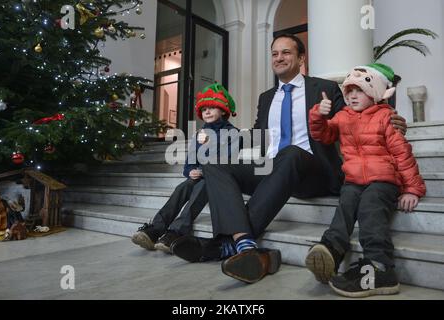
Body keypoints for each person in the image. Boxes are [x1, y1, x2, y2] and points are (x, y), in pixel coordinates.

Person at [171, 34, 407, 284]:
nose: (279, 58)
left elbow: (356, 116)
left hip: (313, 170)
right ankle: (242, 241)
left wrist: (390, 116)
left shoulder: (323, 88)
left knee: (291, 152)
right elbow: (258, 137)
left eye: (286, 53)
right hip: (273, 168)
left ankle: (224, 244)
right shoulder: (266, 97)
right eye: (274, 54)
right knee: (215, 163)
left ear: (301, 58)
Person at [305, 63, 426, 298]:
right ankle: (331, 249)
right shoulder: (342, 117)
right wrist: (318, 115)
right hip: (354, 180)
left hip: (383, 180)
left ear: (375, 93)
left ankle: (380, 268)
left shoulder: (385, 117)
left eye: (358, 90)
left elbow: (402, 154)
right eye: (348, 91)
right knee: (347, 202)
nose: (352, 96)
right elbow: (323, 134)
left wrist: (412, 188)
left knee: (370, 207)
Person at [132, 83, 240, 254]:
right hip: (200, 176)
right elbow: (190, 162)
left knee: (203, 187)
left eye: (212, 107)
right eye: (204, 109)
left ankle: (176, 231)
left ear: (223, 111)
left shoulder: (233, 134)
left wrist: (209, 148)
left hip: (219, 179)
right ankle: (155, 228)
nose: (208, 112)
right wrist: (190, 171)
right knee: (183, 186)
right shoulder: (198, 135)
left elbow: (228, 161)